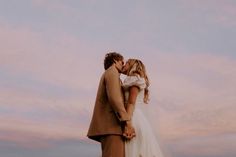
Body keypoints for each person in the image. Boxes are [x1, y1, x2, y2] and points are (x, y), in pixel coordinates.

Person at [87, 52, 136, 157]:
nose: (123, 65)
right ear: (115, 61)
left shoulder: (113, 75)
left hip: (112, 129)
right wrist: (127, 121)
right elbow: (115, 98)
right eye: (122, 62)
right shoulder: (112, 72)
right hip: (112, 127)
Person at [122, 59, 164, 157]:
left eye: (127, 63)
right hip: (132, 115)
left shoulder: (135, 79)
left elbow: (131, 103)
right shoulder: (132, 79)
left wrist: (128, 123)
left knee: (134, 150)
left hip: (133, 117)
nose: (124, 64)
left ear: (133, 66)